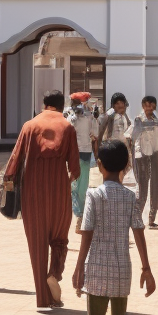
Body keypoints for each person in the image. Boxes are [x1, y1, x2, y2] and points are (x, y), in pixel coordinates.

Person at [71, 139, 156, 315]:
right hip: (122, 268)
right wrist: (146, 268)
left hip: (96, 267)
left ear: (99, 165)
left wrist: (78, 268)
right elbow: (139, 232)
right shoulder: (130, 197)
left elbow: (86, 233)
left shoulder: (94, 195)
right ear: (127, 167)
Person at [4, 89, 80, 311]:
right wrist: (68, 180)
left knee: (37, 245)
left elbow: (15, 159)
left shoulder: (29, 126)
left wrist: (8, 182)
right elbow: (75, 168)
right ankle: (54, 273)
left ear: (44, 103)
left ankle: (43, 299)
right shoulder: (67, 127)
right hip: (58, 189)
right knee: (60, 238)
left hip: (32, 191)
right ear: (61, 104)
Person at [129, 95, 158, 229]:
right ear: (143, 105)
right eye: (148, 105)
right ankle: (137, 217)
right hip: (141, 155)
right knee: (142, 187)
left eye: (152, 106)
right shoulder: (138, 120)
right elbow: (132, 137)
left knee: (156, 185)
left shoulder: (157, 121)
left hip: (154, 154)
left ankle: (152, 217)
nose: (150, 108)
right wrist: (135, 155)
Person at [66, 91, 97, 233]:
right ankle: (77, 214)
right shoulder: (68, 116)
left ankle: (81, 216)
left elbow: (94, 134)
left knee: (82, 185)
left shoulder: (90, 116)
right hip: (71, 153)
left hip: (84, 153)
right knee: (73, 185)